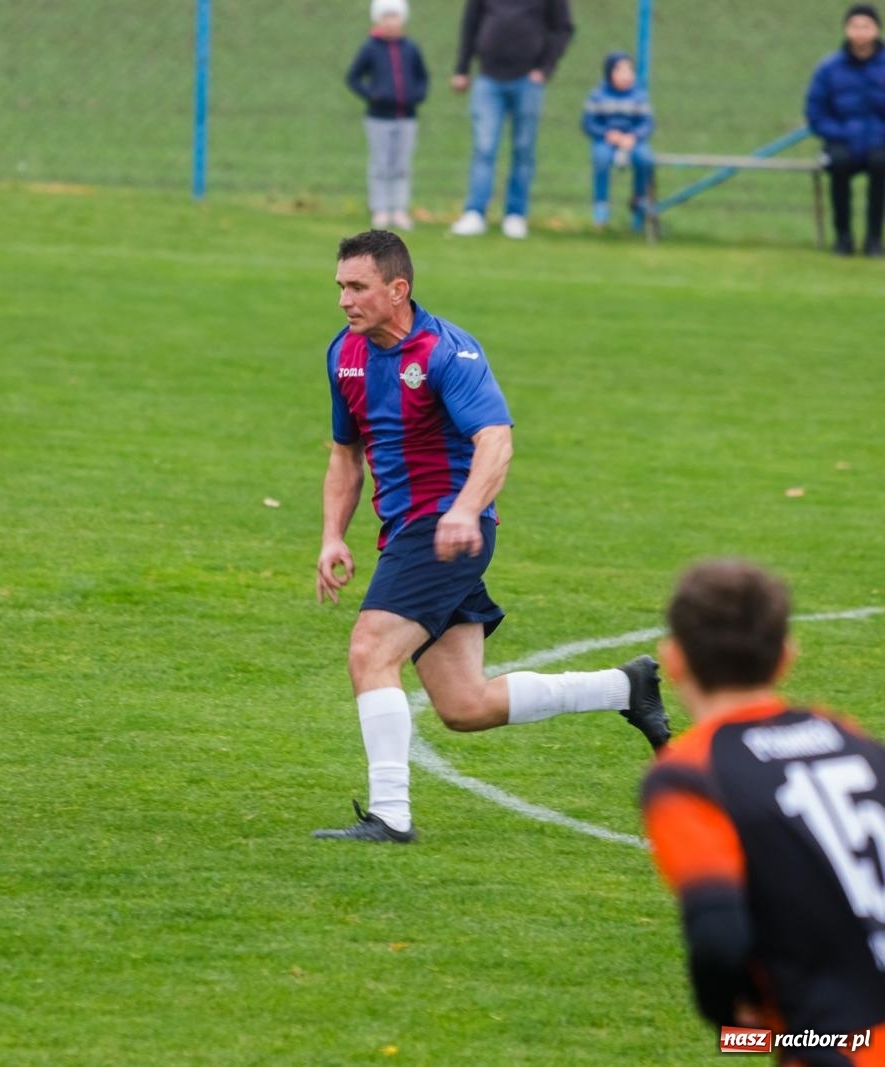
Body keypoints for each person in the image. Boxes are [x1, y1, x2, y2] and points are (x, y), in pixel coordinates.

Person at [313, 230, 668, 843]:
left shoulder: (449, 352)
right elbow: (347, 457)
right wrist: (331, 538)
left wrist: (464, 509)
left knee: (370, 651)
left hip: (448, 527)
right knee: (464, 705)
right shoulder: (344, 355)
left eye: (358, 287)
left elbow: (495, 441)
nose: (345, 300)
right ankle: (624, 687)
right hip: (407, 530)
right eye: (341, 287)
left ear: (398, 290)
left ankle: (391, 816)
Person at [642, 560, 885, 1059]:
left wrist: (730, 1022)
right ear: (786, 658)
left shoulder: (689, 776)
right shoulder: (851, 739)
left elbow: (718, 935)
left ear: (676, 659)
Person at [448, 0, 575, 240]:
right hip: (488, 77)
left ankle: (515, 214)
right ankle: (475, 212)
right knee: (484, 147)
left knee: (523, 149)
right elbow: (470, 23)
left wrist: (545, 68)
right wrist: (462, 68)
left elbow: (563, 28)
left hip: (527, 80)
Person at [805, 3, 885, 257]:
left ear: (877, 30)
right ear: (846, 29)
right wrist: (840, 133)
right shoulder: (829, 68)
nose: (860, 32)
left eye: (866, 26)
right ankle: (843, 238)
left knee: (881, 164)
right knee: (838, 163)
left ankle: (874, 239)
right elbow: (815, 112)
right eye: (855, 26)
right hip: (841, 139)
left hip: (880, 140)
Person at [346, 0, 429, 231]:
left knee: (401, 165)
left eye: (395, 16)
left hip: (406, 116)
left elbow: (422, 77)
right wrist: (372, 95)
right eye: (386, 17)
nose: (391, 22)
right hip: (378, 117)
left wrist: (417, 95)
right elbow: (353, 77)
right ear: (378, 19)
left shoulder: (410, 48)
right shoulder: (370, 48)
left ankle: (399, 209)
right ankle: (380, 209)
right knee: (381, 164)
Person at [581, 51, 654, 231]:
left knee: (645, 159)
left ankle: (639, 201)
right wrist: (607, 133)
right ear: (609, 73)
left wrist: (634, 136)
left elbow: (647, 123)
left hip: (632, 141)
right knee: (601, 158)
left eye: (629, 70)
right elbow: (588, 122)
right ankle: (601, 206)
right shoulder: (598, 95)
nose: (625, 75)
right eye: (620, 71)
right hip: (606, 140)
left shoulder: (639, 96)